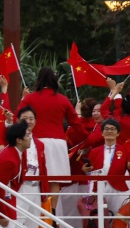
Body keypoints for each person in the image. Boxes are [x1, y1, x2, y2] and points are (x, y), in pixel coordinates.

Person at [18, 67, 85, 213]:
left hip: (35, 142)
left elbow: (19, 115)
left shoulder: (30, 98)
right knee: (54, 179)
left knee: (37, 177)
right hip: (58, 144)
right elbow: (76, 122)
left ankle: (37, 210)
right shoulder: (63, 99)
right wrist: (87, 137)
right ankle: (51, 212)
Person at [81, 118, 130, 216]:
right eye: (106, 129)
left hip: (118, 189)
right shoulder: (94, 151)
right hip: (98, 189)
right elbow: (88, 173)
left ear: (118, 133)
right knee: (99, 218)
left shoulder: (125, 150)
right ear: (102, 133)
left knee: (119, 218)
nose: (109, 131)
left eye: (112, 129)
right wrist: (84, 170)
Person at [0, 120, 32, 228]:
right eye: (27, 135)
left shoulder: (14, 153)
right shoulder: (9, 160)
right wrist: (2, 214)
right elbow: (0, 187)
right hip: (2, 205)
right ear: (19, 140)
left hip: (7, 202)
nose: (30, 138)